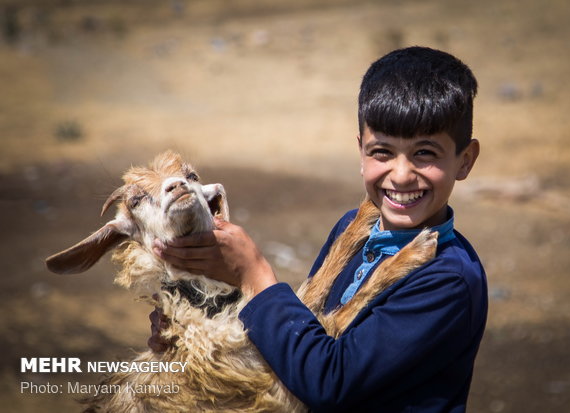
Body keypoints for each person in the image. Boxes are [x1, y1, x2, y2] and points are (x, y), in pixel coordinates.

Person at [151, 46, 488, 412]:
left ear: (464, 160)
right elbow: (309, 333)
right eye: (382, 152)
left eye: (425, 153)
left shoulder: (448, 279)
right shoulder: (353, 227)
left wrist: (255, 273)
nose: (402, 174)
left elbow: (330, 380)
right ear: (361, 152)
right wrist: (194, 332)